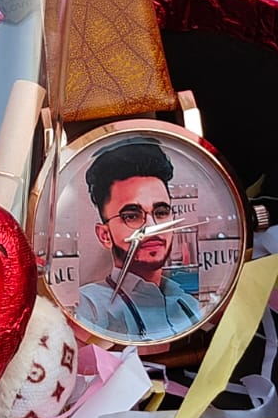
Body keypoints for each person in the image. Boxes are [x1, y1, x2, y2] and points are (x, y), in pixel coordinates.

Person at [75, 139, 203, 340]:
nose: (151, 228)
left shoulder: (188, 305)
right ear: (105, 235)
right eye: (132, 216)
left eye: (161, 212)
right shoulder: (88, 307)